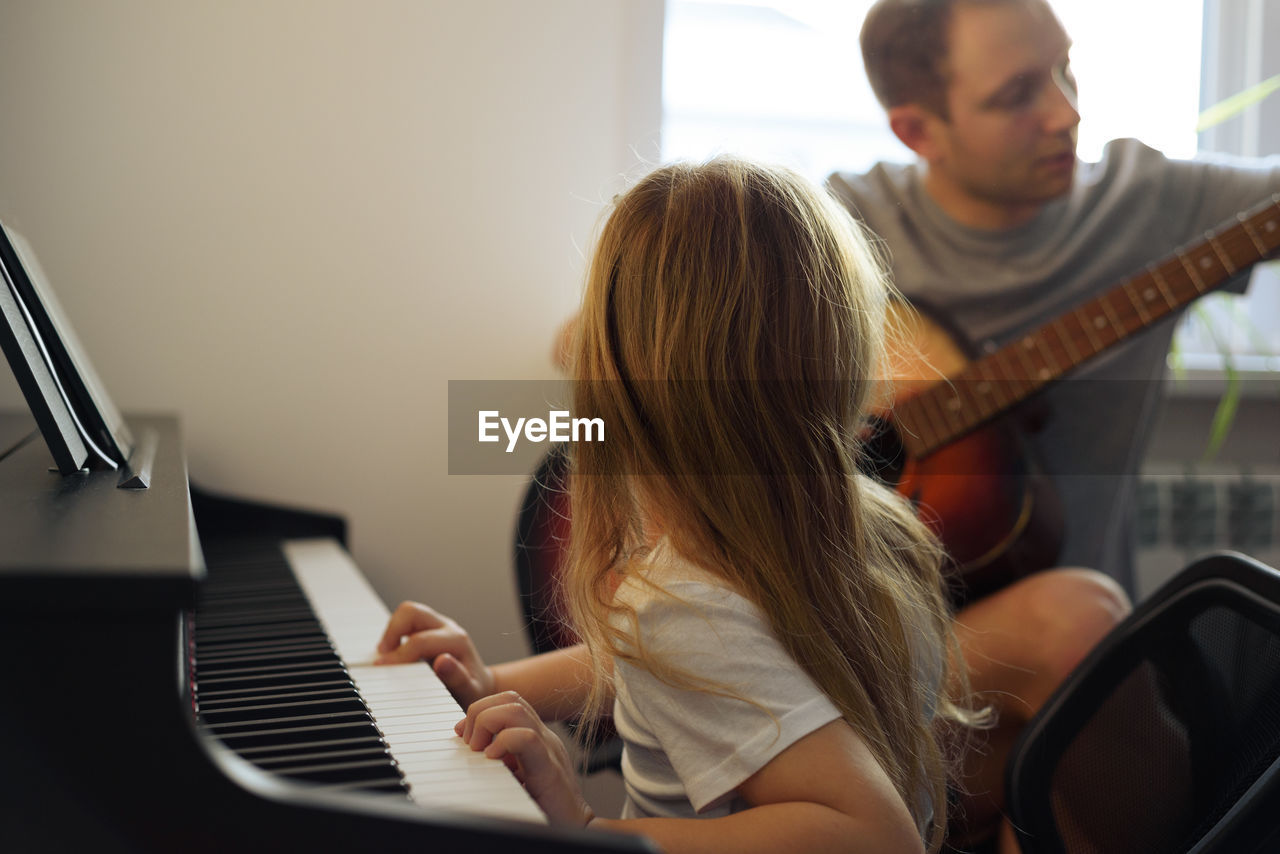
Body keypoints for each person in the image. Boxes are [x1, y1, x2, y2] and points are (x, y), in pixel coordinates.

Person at [379, 157, 988, 853]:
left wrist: (589, 828)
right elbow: (691, 666)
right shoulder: (874, 529)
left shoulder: (684, 604)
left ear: (616, 376)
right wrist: (493, 681)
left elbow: (876, 837)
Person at [824, 0, 1280, 847]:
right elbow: (600, 338)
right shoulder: (844, 225)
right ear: (919, 130)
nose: (1067, 112)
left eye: (1068, 69)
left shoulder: (1155, 204)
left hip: (1093, 668)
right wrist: (881, 376)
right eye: (1017, 94)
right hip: (879, 653)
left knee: (1077, 634)